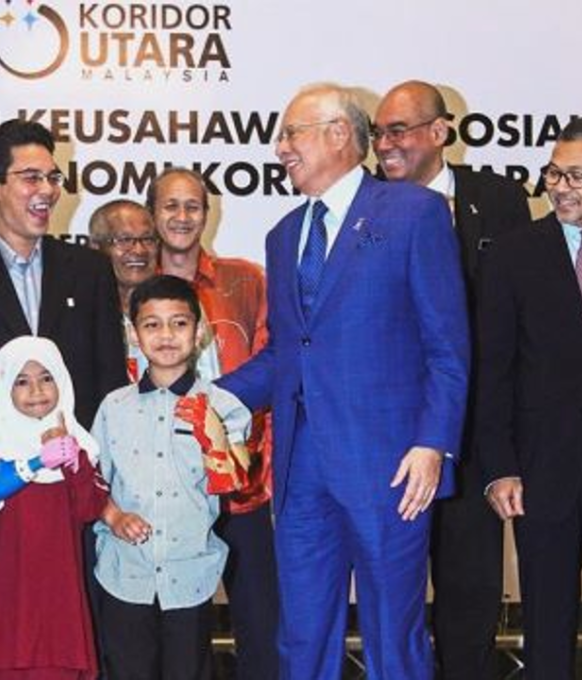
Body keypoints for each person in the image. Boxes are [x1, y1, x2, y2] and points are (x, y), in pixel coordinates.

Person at [218, 83, 470, 680]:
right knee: (301, 638)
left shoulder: (413, 212)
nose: (280, 148)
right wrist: (216, 397)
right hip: (302, 469)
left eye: (291, 133)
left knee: (393, 637)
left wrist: (433, 443)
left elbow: (448, 347)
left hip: (392, 466)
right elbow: (288, 352)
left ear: (338, 134)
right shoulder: (283, 236)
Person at [0, 119, 125, 679]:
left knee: (69, 630)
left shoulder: (88, 270)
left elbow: (107, 380)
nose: (45, 190)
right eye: (29, 177)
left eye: (52, 177)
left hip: (71, 490)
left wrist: (103, 476)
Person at [373, 79, 532, 680]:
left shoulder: (498, 200)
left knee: (471, 590)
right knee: (396, 593)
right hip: (395, 434)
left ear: (440, 133)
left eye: (399, 130)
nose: (385, 145)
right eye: (378, 133)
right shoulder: (365, 205)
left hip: (474, 434)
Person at [147, 166, 278, 679]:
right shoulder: (130, 280)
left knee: (261, 620)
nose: (182, 217)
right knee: (181, 629)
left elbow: (273, 357)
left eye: (192, 206)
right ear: (154, 213)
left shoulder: (244, 279)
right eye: (170, 206)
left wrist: (232, 423)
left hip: (239, 481)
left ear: (208, 212)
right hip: (163, 485)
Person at [93, 274, 251, 680]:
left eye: (179, 323)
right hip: (124, 573)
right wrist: (114, 517)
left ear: (198, 332)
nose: (166, 335)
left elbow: (236, 480)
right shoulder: (114, 406)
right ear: (134, 333)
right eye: (152, 324)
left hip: (190, 576)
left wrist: (214, 437)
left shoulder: (224, 405)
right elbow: (93, 484)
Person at [476, 120, 582, 680]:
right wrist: (500, 468)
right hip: (544, 472)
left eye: (575, 176)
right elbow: (493, 372)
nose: (560, 187)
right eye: (554, 173)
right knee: (548, 622)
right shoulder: (516, 255)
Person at [0, 336, 108, 679]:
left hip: (61, 585)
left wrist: (74, 462)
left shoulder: (81, 443)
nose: (36, 390)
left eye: (46, 377)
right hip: (11, 582)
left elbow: (90, 508)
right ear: (3, 388)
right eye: (22, 381)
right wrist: (37, 461)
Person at [88, 199, 160, 381]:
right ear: (95, 248)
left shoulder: (176, 309)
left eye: (147, 239)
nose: (139, 249)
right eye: (124, 240)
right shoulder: (79, 316)